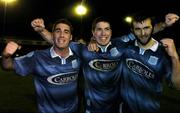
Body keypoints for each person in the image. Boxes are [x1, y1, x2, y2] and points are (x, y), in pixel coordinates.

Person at [30, 13, 179, 113]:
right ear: (93, 33)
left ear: (111, 32)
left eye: (107, 29)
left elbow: (143, 32)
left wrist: (164, 25)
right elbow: (59, 41)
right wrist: (42, 30)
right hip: (92, 107)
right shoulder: (84, 49)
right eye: (99, 30)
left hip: (116, 107)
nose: (103, 33)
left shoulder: (121, 46)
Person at [2, 19, 82, 113]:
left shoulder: (78, 54)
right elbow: (7, 66)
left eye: (66, 32)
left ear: (71, 37)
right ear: (52, 35)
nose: (61, 35)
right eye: (57, 31)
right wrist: (6, 55)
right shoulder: (38, 57)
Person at [118, 13, 180, 113]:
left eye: (147, 28)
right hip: (125, 109)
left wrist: (174, 57)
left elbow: (177, 86)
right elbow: (105, 41)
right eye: (138, 29)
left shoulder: (163, 53)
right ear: (132, 31)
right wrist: (93, 40)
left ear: (152, 28)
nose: (143, 33)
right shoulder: (126, 47)